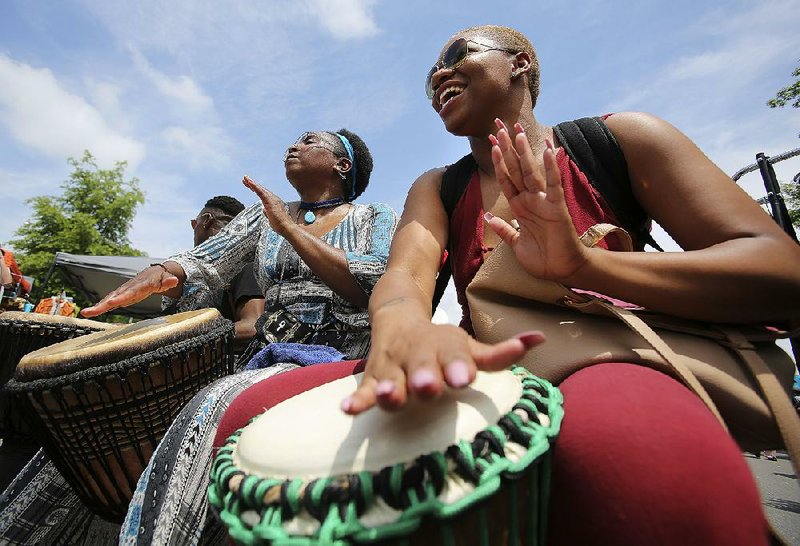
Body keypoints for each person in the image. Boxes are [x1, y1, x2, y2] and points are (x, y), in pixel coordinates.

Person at [325, 25, 800, 545]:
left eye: (458, 55)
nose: (439, 73)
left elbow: (782, 271)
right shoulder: (438, 187)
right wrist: (403, 330)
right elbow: (404, 277)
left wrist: (584, 267)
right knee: (248, 408)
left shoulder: (622, 139)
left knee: (643, 460)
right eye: (430, 75)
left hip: (613, 359)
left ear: (520, 63)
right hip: (485, 367)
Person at [163, 195, 264, 352]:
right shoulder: (183, 272)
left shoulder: (244, 266)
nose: (193, 228)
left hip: (229, 371)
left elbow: (253, 327)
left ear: (206, 220)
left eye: (194, 224)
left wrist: (182, 340)